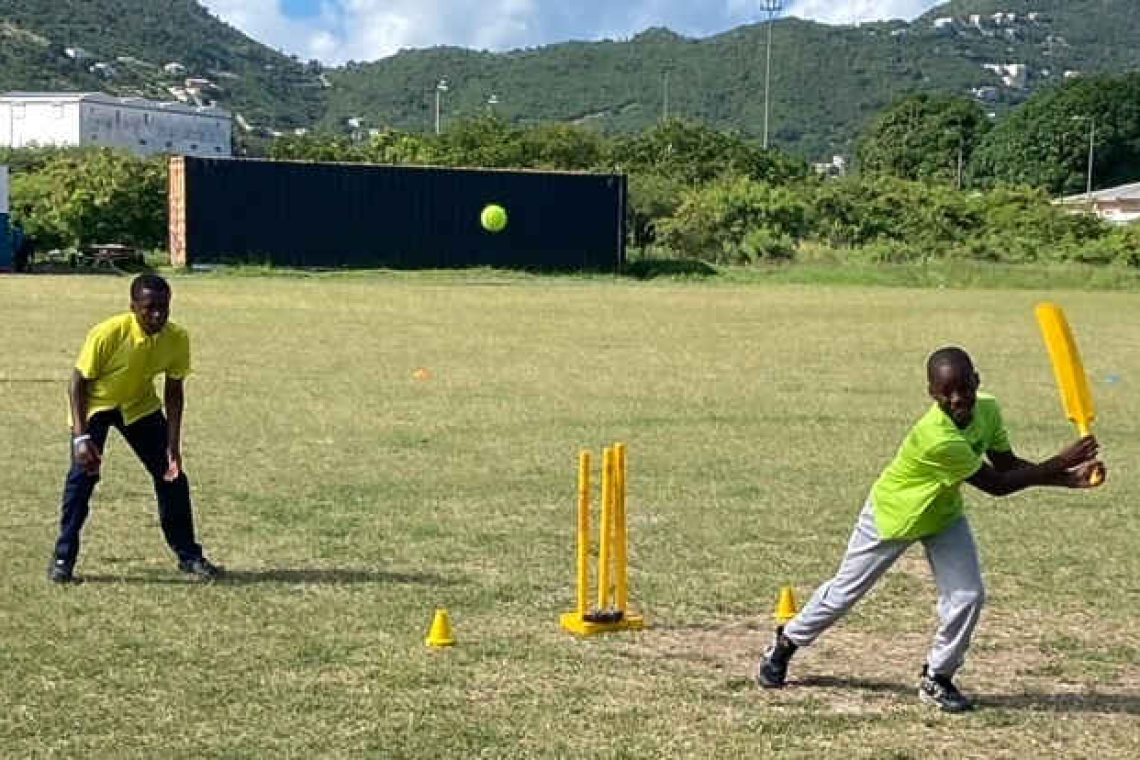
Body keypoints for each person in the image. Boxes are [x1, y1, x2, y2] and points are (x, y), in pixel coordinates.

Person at [755, 347, 1103, 712]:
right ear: (932, 394)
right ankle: (786, 643)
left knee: (968, 596)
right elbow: (996, 484)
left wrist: (1066, 478)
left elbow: (1007, 464)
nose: (958, 400)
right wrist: (1062, 462)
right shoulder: (936, 437)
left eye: (964, 388)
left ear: (977, 381)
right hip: (894, 515)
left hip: (942, 514)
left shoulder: (988, 408)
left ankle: (937, 677)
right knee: (844, 593)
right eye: (946, 393)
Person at [48, 273, 222, 583]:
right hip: (97, 407)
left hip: (140, 406)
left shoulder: (177, 338)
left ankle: (189, 555)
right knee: (81, 480)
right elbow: (77, 384)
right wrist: (81, 437)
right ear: (133, 306)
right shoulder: (107, 333)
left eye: (163, 308)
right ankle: (63, 560)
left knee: (172, 477)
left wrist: (173, 446)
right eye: (149, 307)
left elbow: (174, 392)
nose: (157, 315)